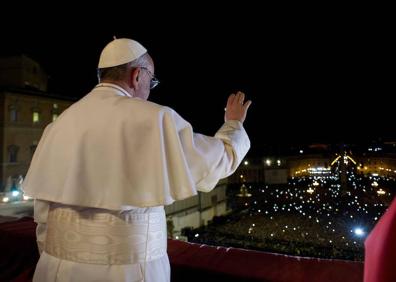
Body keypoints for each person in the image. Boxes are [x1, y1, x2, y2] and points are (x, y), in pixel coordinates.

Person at [22, 38, 252, 282]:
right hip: (129, 272)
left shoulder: (58, 125)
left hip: (57, 270)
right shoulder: (155, 118)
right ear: (137, 76)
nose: (150, 88)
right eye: (151, 80)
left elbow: (44, 216)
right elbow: (216, 160)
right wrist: (233, 124)